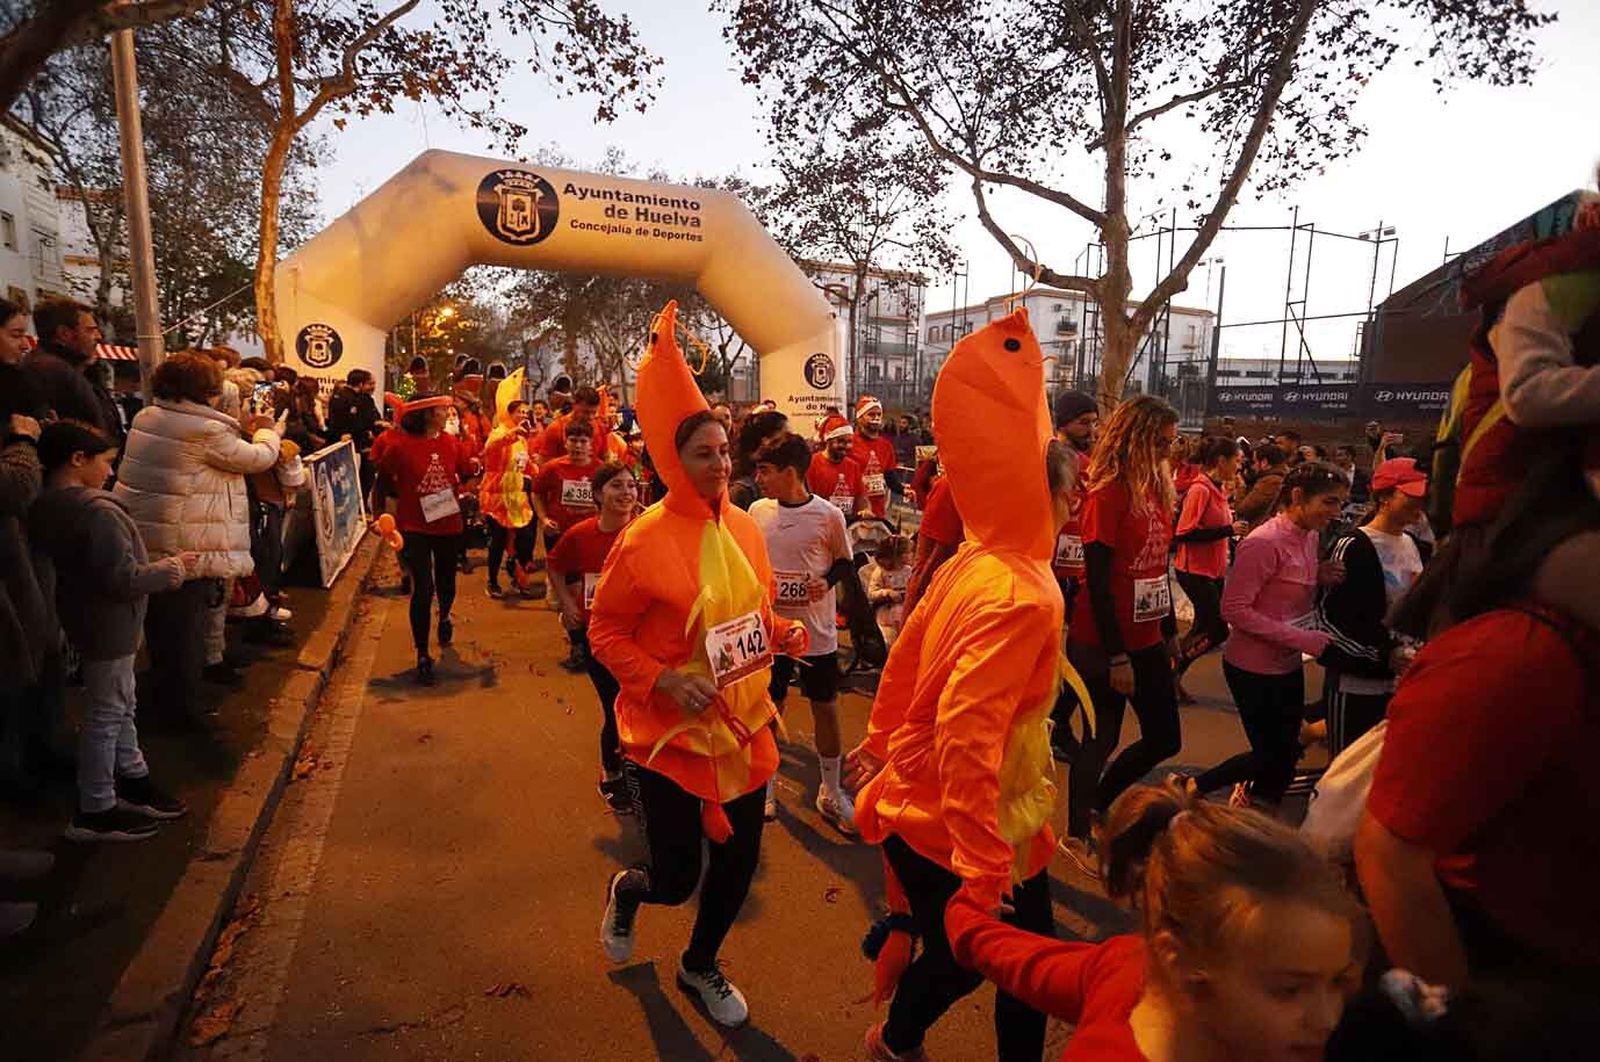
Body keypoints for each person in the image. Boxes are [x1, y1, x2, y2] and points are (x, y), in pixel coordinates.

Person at [847, 311, 1071, 1062]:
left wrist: (879, 743)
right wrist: (982, 864)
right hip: (966, 823)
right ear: (1050, 495)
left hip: (954, 810)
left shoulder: (979, 557)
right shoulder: (1022, 590)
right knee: (989, 964)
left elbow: (906, 657)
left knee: (1018, 967)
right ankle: (895, 1040)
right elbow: (967, 731)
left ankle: (900, 1039)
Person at [590, 302, 805, 1028]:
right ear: (672, 461)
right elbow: (605, 630)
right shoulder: (643, 540)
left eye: (724, 451)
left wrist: (782, 633)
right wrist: (662, 680)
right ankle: (629, 890)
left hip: (745, 730)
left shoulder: (744, 526)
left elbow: (748, 617)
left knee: (738, 866)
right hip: (666, 737)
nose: (719, 465)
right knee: (677, 878)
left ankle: (699, 965)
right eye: (703, 454)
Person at [1355, 443, 1600, 997]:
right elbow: (1391, 851)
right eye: (1406, 497)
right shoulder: (1516, 654)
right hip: (1514, 975)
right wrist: (1460, 1025)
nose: (1416, 510)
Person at [948, 782, 1362, 1062]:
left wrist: (967, 913)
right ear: (1180, 960)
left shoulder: (1123, 963)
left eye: (1340, 983)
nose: (1328, 1017)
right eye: (1289, 990)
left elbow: (1015, 957)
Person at [32, 423, 196, 841]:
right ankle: (97, 806)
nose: (111, 469)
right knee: (108, 710)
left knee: (119, 702)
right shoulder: (97, 511)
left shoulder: (49, 505)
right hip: (111, 622)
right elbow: (121, 578)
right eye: (105, 461)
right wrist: (172, 569)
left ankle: (131, 775)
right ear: (77, 460)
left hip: (85, 618)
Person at [114, 353, 282, 725]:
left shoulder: (150, 416)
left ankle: (168, 697)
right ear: (203, 390)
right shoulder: (204, 430)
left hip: (152, 536)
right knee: (184, 632)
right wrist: (268, 429)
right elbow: (259, 457)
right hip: (186, 544)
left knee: (164, 629)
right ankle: (179, 711)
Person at [1187, 463, 1355, 809]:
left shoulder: (1309, 536)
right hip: (1252, 669)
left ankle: (1232, 800)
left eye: (1340, 503)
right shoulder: (1263, 543)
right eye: (1329, 502)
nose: (1336, 512)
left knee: (1286, 751)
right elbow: (1233, 609)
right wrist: (1303, 640)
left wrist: (1319, 575)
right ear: (1297, 497)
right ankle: (1206, 790)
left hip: (1288, 664)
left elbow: (1288, 589)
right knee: (1273, 756)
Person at [1062, 395, 1181, 874]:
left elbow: (1157, 568)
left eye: (1172, 444)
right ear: (1140, 439)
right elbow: (1097, 577)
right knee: (1100, 737)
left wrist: (1169, 629)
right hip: (1103, 641)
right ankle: (1075, 831)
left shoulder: (1156, 488)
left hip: (1148, 636)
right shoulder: (1107, 493)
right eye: (1163, 442)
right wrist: (1116, 657)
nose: (1169, 452)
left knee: (1164, 738)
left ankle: (1098, 803)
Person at [749, 432, 857, 831]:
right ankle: (766, 784)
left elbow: (846, 564)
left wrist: (825, 583)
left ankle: (830, 790)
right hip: (771, 633)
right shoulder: (757, 511)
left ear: (790, 473)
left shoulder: (829, 515)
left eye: (765, 470)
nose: (758, 478)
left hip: (816, 634)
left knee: (825, 709)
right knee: (768, 708)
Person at [1311, 458, 1427, 757]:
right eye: (1411, 495)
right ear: (1384, 498)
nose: (1420, 502)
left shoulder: (1416, 545)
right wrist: (1382, 656)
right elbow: (1327, 617)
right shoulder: (1353, 544)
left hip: (1404, 683)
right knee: (1345, 774)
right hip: (1356, 686)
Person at [547, 461, 639, 813]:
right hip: (597, 636)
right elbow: (555, 565)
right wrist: (568, 603)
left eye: (631, 486)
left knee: (637, 704)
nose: (626, 493)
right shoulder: (581, 534)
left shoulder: (645, 531)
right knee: (614, 703)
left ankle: (638, 767)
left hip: (640, 635)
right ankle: (611, 772)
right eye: (617, 486)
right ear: (598, 494)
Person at [376, 393, 477, 685]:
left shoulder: (450, 442)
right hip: (413, 525)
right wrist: (378, 515)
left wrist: (469, 488)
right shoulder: (398, 447)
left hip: (447, 520)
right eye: (443, 410)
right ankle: (422, 652)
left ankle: (444, 615)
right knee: (423, 585)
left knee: (447, 582)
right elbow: (381, 482)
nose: (448, 414)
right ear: (427, 414)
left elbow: (465, 473)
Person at [1172, 437, 1247, 685]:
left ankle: (1171, 672)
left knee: (1201, 627)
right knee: (1217, 630)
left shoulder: (1219, 490)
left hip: (1213, 571)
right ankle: (1173, 668)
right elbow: (1184, 532)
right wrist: (1228, 529)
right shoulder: (1200, 489)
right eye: (1236, 460)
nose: (1240, 466)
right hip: (1194, 570)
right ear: (1221, 461)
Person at [23, 298, 120, 442]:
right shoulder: (51, 371)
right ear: (64, 334)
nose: (98, 337)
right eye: (90, 330)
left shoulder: (77, 369)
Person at [478, 372, 539, 599]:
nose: (523, 415)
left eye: (525, 412)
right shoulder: (499, 433)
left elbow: (525, 462)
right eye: (519, 412)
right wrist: (512, 434)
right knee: (499, 540)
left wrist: (537, 473)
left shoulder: (522, 438)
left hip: (517, 496)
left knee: (524, 539)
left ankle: (517, 574)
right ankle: (493, 581)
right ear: (508, 412)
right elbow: (491, 449)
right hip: (497, 495)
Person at [849, 395, 900, 518]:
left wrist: (904, 490)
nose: (876, 418)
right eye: (871, 415)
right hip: (854, 513)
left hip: (878, 513)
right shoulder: (849, 443)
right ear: (860, 418)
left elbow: (889, 477)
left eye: (879, 415)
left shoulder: (886, 446)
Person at [728, 408, 788, 511]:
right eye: (786, 436)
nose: (791, 442)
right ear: (766, 442)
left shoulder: (791, 478)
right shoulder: (741, 492)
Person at [807, 415, 868, 515]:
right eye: (841, 441)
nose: (846, 446)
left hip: (847, 526)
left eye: (849, 442)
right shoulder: (811, 464)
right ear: (828, 440)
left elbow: (861, 498)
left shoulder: (854, 466)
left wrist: (865, 511)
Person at [536, 384, 610, 462]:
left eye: (594, 412)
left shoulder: (600, 427)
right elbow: (543, 461)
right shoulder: (556, 428)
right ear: (574, 405)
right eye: (586, 412)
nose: (590, 417)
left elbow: (605, 457)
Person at [866, 535, 912, 649]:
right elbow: (871, 594)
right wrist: (887, 593)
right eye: (907, 552)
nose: (911, 555)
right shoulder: (881, 572)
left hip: (905, 605)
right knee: (899, 615)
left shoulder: (909, 571)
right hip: (886, 608)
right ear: (897, 556)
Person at [1234, 443, 1289, 532]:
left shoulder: (1270, 482)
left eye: (1255, 462)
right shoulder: (1278, 478)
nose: (1253, 466)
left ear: (1264, 462)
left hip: (1258, 532)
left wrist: (1241, 486)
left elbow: (1242, 510)